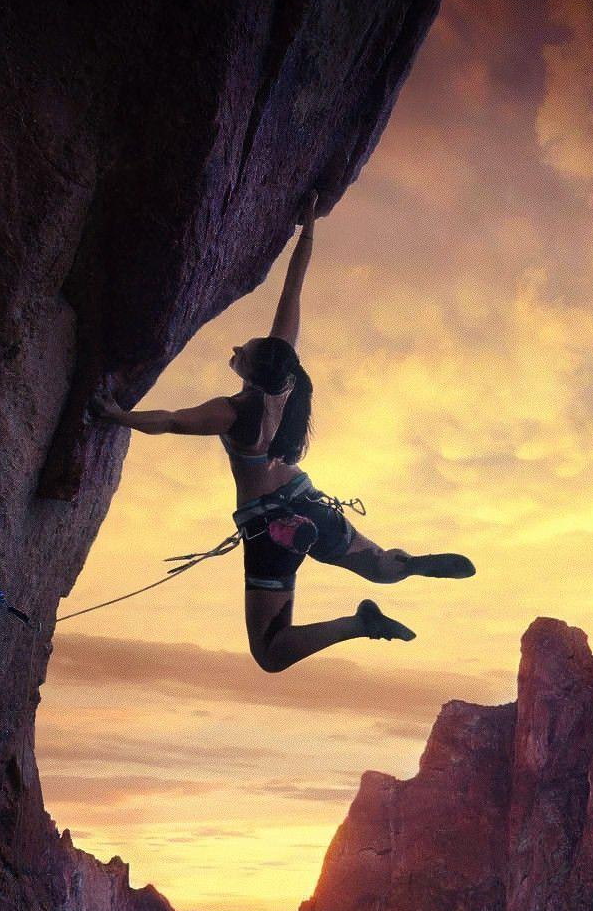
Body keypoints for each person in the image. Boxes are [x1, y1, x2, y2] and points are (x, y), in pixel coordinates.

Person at [95, 198, 474, 671]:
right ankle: (409, 564)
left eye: (243, 353)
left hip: (274, 529)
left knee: (271, 652)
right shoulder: (287, 379)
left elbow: (170, 420)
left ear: (253, 372)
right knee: (376, 566)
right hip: (307, 501)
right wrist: (308, 226)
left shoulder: (232, 412)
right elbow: (292, 292)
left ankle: (359, 625)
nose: (236, 348)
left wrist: (115, 415)